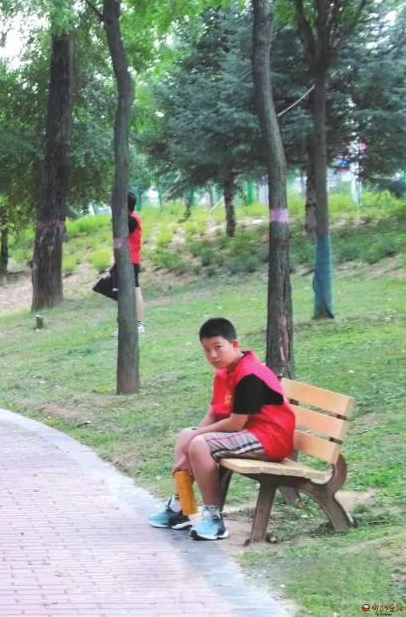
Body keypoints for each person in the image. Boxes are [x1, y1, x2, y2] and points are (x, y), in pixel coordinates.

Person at [147, 318, 295, 541]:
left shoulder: (250, 375)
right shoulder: (224, 372)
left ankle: (213, 519)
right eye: (207, 350)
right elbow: (214, 413)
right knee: (186, 435)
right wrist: (190, 440)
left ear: (234, 344)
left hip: (269, 439)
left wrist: (195, 440)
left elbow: (235, 423)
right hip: (248, 432)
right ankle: (180, 506)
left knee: (199, 443)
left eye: (218, 347)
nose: (213, 355)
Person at [102, 191, 146, 334]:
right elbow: (120, 240)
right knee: (121, 292)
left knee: (134, 290)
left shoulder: (131, 219)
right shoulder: (128, 218)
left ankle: (138, 324)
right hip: (125, 260)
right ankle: (127, 325)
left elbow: (122, 238)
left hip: (130, 260)